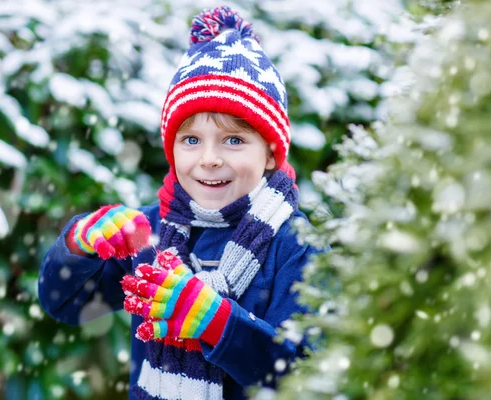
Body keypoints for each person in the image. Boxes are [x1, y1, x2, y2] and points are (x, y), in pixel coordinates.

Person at [39, 6, 322, 400]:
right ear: (171, 148)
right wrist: (79, 246)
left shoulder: (294, 245)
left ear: (272, 154)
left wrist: (215, 321)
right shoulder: (147, 235)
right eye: (191, 140)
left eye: (234, 140)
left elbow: (305, 373)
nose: (209, 158)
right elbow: (65, 305)